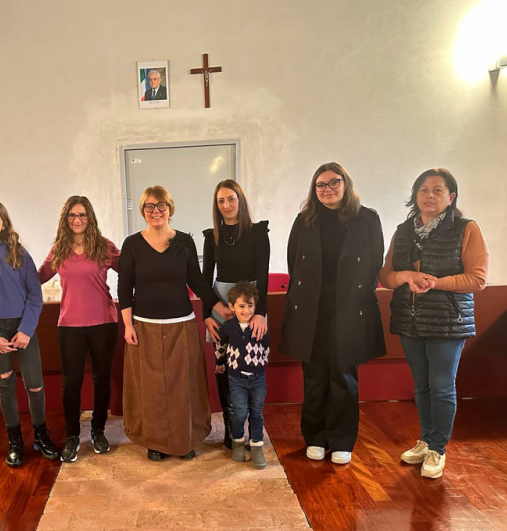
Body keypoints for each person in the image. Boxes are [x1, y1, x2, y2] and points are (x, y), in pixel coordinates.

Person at [379, 168, 488, 479]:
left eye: (438, 190)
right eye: (423, 189)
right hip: (410, 319)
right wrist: (405, 276)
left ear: (451, 197)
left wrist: (435, 283)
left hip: (448, 321)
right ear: (415, 195)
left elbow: (478, 279)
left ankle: (438, 449)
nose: (429, 195)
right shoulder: (403, 230)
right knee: (422, 385)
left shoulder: (466, 229)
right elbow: (385, 275)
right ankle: (426, 440)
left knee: (441, 386)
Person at [279, 163, 385, 465]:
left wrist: (355, 297)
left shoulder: (367, 219)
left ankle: (341, 439)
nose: (327, 189)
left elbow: (374, 263)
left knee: (343, 376)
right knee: (314, 376)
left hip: (349, 311)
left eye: (333, 182)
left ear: (345, 183)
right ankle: (315, 436)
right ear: (314, 190)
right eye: (320, 185)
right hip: (311, 311)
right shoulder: (304, 220)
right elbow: (294, 263)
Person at [118, 185, 232, 461]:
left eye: (161, 206)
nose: (156, 211)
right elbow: (124, 287)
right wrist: (128, 325)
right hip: (144, 326)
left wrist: (220, 307)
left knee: (183, 386)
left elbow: (197, 281)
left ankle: (184, 440)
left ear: (170, 209)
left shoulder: (183, 242)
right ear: (143, 210)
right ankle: (156, 442)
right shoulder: (132, 244)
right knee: (153, 389)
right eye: (149, 206)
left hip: (182, 324)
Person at [0, 200, 58, 467]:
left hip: (23, 328)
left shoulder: (19, 253)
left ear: (4, 224)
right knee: (5, 383)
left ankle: (40, 434)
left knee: (35, 383)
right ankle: (15, 440)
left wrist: (26, 330)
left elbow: (34, 295)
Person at [38, 196, 121, 462]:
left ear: (90, 218)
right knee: (71, 383)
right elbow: (38, 277)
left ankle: (98, 430)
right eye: (72, 215)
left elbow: (130, 271)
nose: (77, 219)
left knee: (102, 379)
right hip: (70, 325)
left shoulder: (104, 247)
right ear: (65, 219)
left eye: (82, 215)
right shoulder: (59, 250)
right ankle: (73, 435)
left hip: (104, 323)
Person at [202, 179, 270, 448]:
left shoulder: (258, 233)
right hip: (220, 303)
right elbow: (205, 278)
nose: (226, 205)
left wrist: (260, 312)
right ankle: (232, 427)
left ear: (240, 200)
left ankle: (253, 425)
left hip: (251, 304)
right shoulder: (212, 237)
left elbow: (263, 275)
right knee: (224, 365)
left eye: (231, 199)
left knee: (249, 364)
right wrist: (208, 313)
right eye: (221, 200)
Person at [214, 281, 270, 469]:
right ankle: (237, 441)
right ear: (232, 307)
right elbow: (221, 347)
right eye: (241, 306)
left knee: (256, 412)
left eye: (250, 306)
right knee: (239, 412)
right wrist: (219, 363)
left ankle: (256, 445)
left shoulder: (260, 326)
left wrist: (259, 364)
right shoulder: (228, 327)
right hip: (236, 379)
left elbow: (266, 348)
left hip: (258, 379)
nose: (246, 311)